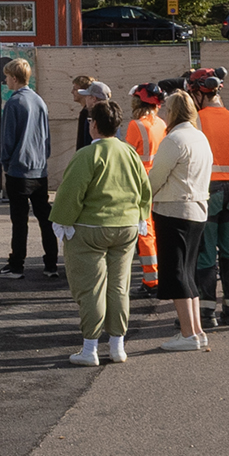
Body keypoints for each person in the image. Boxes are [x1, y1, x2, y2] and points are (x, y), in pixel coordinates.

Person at [50, 100, 152, 366]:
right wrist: (141, 216)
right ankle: (117, 346)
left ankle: (90, 349)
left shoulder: (86, 155)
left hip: (91, 229)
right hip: (127, 227)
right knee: (119, 287)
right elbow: (144, 189)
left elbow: (71, 194)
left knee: (91, 289)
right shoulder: (129, 152)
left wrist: (61, 222)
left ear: (93, 124)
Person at [145, 90, 211, 351]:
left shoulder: (174, 139)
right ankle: (196, 331)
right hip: (197, 209)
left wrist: (141, 196)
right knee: (188, 272)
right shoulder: (199, 137)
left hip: (174, 209)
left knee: (176, 273)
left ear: (171, 112)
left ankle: (187, 334)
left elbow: (156, 177)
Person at [188, 69, 229, 329]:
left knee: (206, 252)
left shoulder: (196, 120)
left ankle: (207, 311)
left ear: (200, 93)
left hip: (206, 190)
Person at [0, 58, 57, 280]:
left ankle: (17, 265)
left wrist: (5, 164)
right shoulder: (40, 101)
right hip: (40, 169)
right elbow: (46, 137)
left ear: (14, 78)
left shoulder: (13, 103)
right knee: (44, 217)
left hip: (19, 170)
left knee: (19, 221)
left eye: (7, 77)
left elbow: (8, 139)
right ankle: (51, 263)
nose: (5, 80)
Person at [122, 83, 168, 294]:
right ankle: (159, 275)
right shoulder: (161, 123)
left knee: (145, 231)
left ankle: (151, 281)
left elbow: (129, 157)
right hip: (160, 180)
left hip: (141, 182)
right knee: (157, 230)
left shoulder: (136, 125)